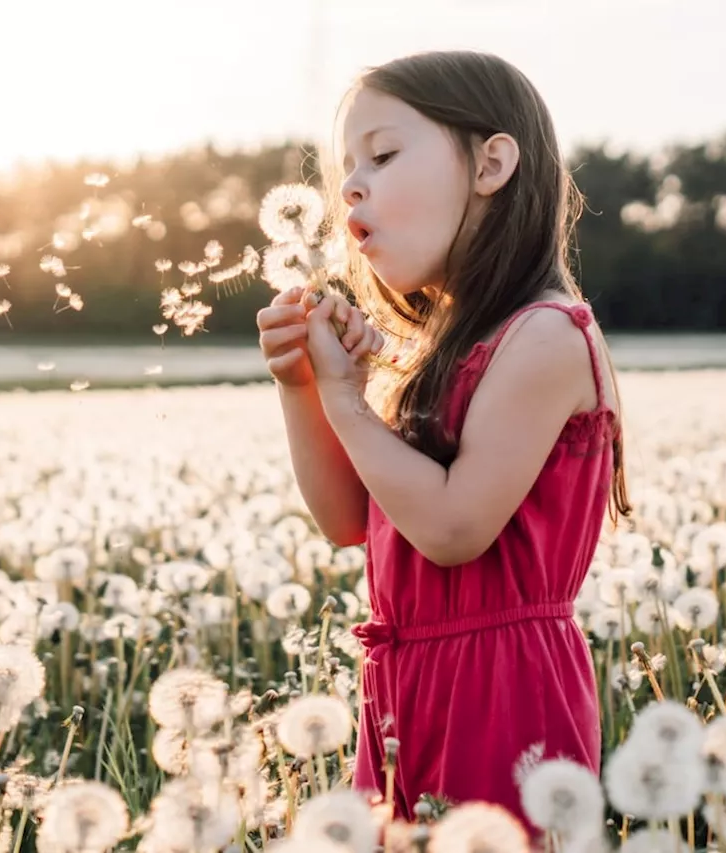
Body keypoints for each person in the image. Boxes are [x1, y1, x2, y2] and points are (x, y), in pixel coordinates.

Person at [255, 50, 632, 830]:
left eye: (384, 155)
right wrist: (301, 384)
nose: (351, 185)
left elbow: (454, 528)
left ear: (492, 163)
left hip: (505, 697)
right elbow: (347, 520)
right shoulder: (434, 352)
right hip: (401, 689)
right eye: (345, 169)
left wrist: (345, 397)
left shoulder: (548, 337)